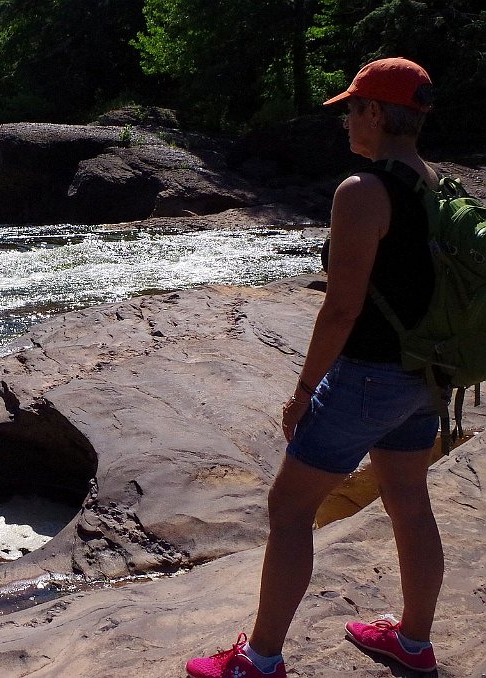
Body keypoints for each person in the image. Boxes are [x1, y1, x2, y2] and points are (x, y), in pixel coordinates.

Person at [185, 57, 445, 678]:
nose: (346, 122)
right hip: (423, 375)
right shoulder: (435, 185)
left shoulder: (362, 192)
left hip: (367, 378)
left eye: (353, 109)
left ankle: (262, 660)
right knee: (410, 498)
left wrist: (304, 391)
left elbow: (342, 307)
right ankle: (412, 645)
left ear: (376, 114)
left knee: (290, 510)